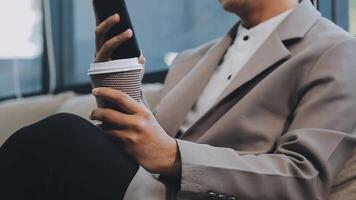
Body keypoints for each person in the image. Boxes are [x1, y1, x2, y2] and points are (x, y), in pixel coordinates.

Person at [1, 0, 356, 199]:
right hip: (139, 189)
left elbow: (304, 177)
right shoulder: (190, 60)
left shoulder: (336, 51)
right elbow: (142, 146)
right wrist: (116, 78)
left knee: (60, 137)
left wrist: (173, 156)